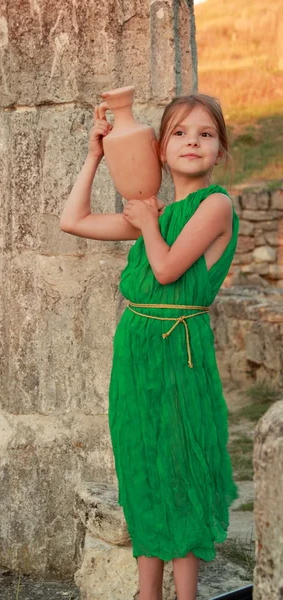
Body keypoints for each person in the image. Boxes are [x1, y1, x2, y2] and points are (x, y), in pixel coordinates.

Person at [59, 93, 239, 600]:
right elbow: (72, 220)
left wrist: (145, 225)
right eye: (180, 133)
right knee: (141, 467)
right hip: (136, 357)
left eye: (206, 134)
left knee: (180, 468)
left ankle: (185, 596)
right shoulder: (154, 212)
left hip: (179, 354)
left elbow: (165, 269)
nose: (192, 142)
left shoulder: (216, 205)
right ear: (160, 149)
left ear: (220, 151)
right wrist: (95, 154)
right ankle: (147, 595)